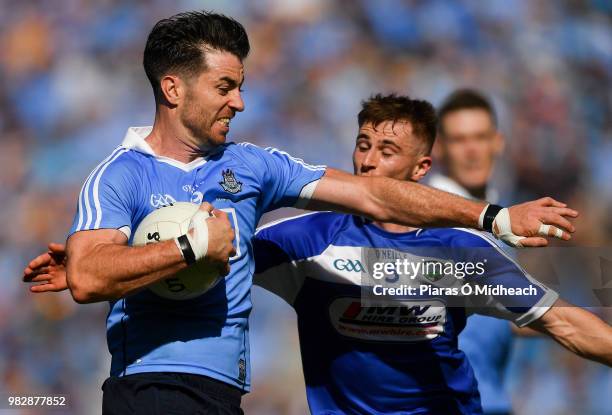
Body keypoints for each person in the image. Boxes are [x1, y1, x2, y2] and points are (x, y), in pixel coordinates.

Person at [25, 10, 579, 414]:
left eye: (240, 87)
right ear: (173, 88)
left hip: (223, 394)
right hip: (151, 386)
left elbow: (375, 195)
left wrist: (494, 218)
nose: (239, 102)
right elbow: (89, 277)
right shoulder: (120, 174)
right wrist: (188, 249)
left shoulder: (256, 165)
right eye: (224, 87)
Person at [430, 89, 519, 415]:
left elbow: (493, 310)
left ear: (498, 142)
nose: (471, 151)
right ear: (439, 147)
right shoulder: (426, 221)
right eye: (458, 139)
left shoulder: (503, 220)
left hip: (489, 402)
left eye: (480, 137)